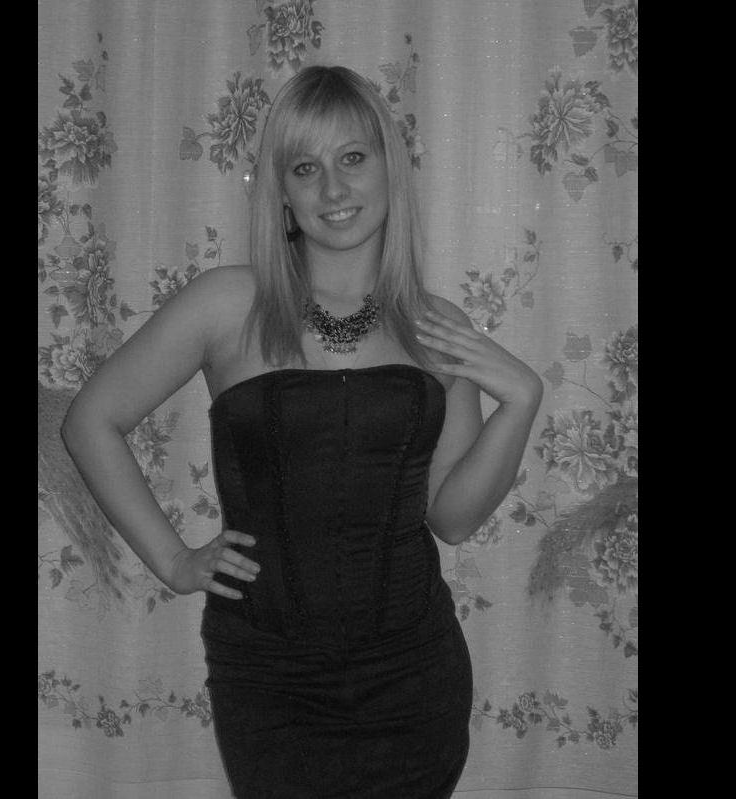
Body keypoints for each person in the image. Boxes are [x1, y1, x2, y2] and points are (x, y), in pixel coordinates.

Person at [61, 65, 543, 798]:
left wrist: (521, 401)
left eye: (352, 158)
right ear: (281, 190)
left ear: (388, 167)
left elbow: (451, 517)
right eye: (305, 168)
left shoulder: (437, 326)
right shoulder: (227, 302)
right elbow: (90, 421)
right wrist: (175, 561)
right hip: (268, 674)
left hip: (413, 674)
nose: (333, 188)